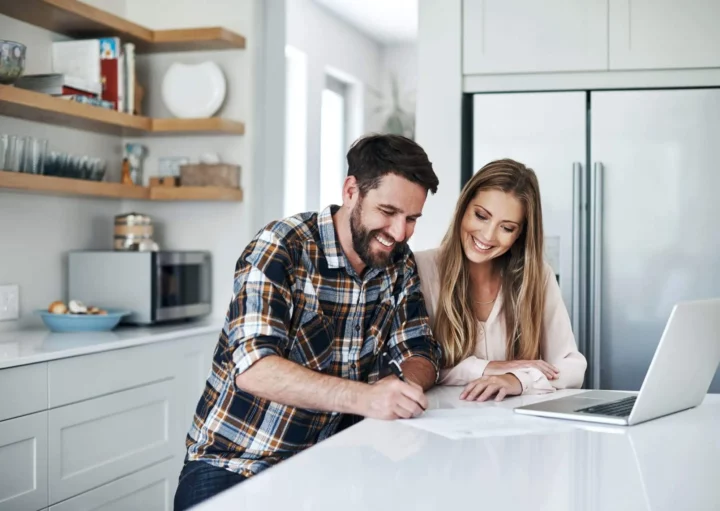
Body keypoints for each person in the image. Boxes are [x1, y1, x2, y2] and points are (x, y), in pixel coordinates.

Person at [174, 134, 442, 510]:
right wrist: (366, 397)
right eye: (388, 211)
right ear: (352, 191)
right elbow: (254, 368)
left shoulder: (398, 261)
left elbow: (420, 349)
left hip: (332, 462)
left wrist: (402, 387)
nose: (399, 232)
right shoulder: (281, 247)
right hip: (238, 464)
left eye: (412, 218)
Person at [414, 158, 586, 402]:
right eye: (481, 216)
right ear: (463, 207)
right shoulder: (420, 269)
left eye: (507, 228)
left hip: (514, 429)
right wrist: (488, 367)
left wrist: (518, 379)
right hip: (439, 426)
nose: (487, 235)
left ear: (520, 234)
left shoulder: (537, 276)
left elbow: (572, 366)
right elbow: (417, 367)